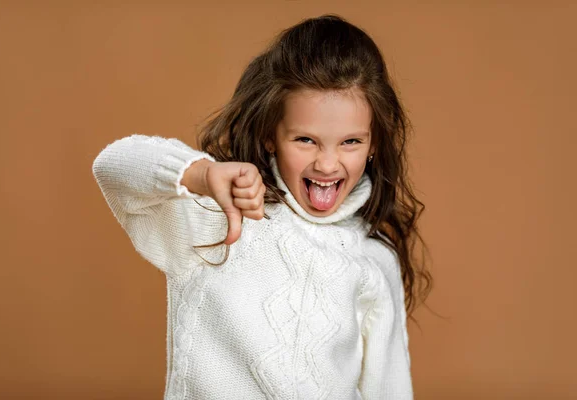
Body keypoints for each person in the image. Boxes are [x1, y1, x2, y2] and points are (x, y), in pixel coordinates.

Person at [93, 14, 431, 400]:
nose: (327, 163)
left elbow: (388, 388)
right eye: (305, 139)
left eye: (350, 142)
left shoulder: (373, 261)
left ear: (374, 145)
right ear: (271, 136)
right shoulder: (222, 217)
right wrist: (202, 175)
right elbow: (112, 165)